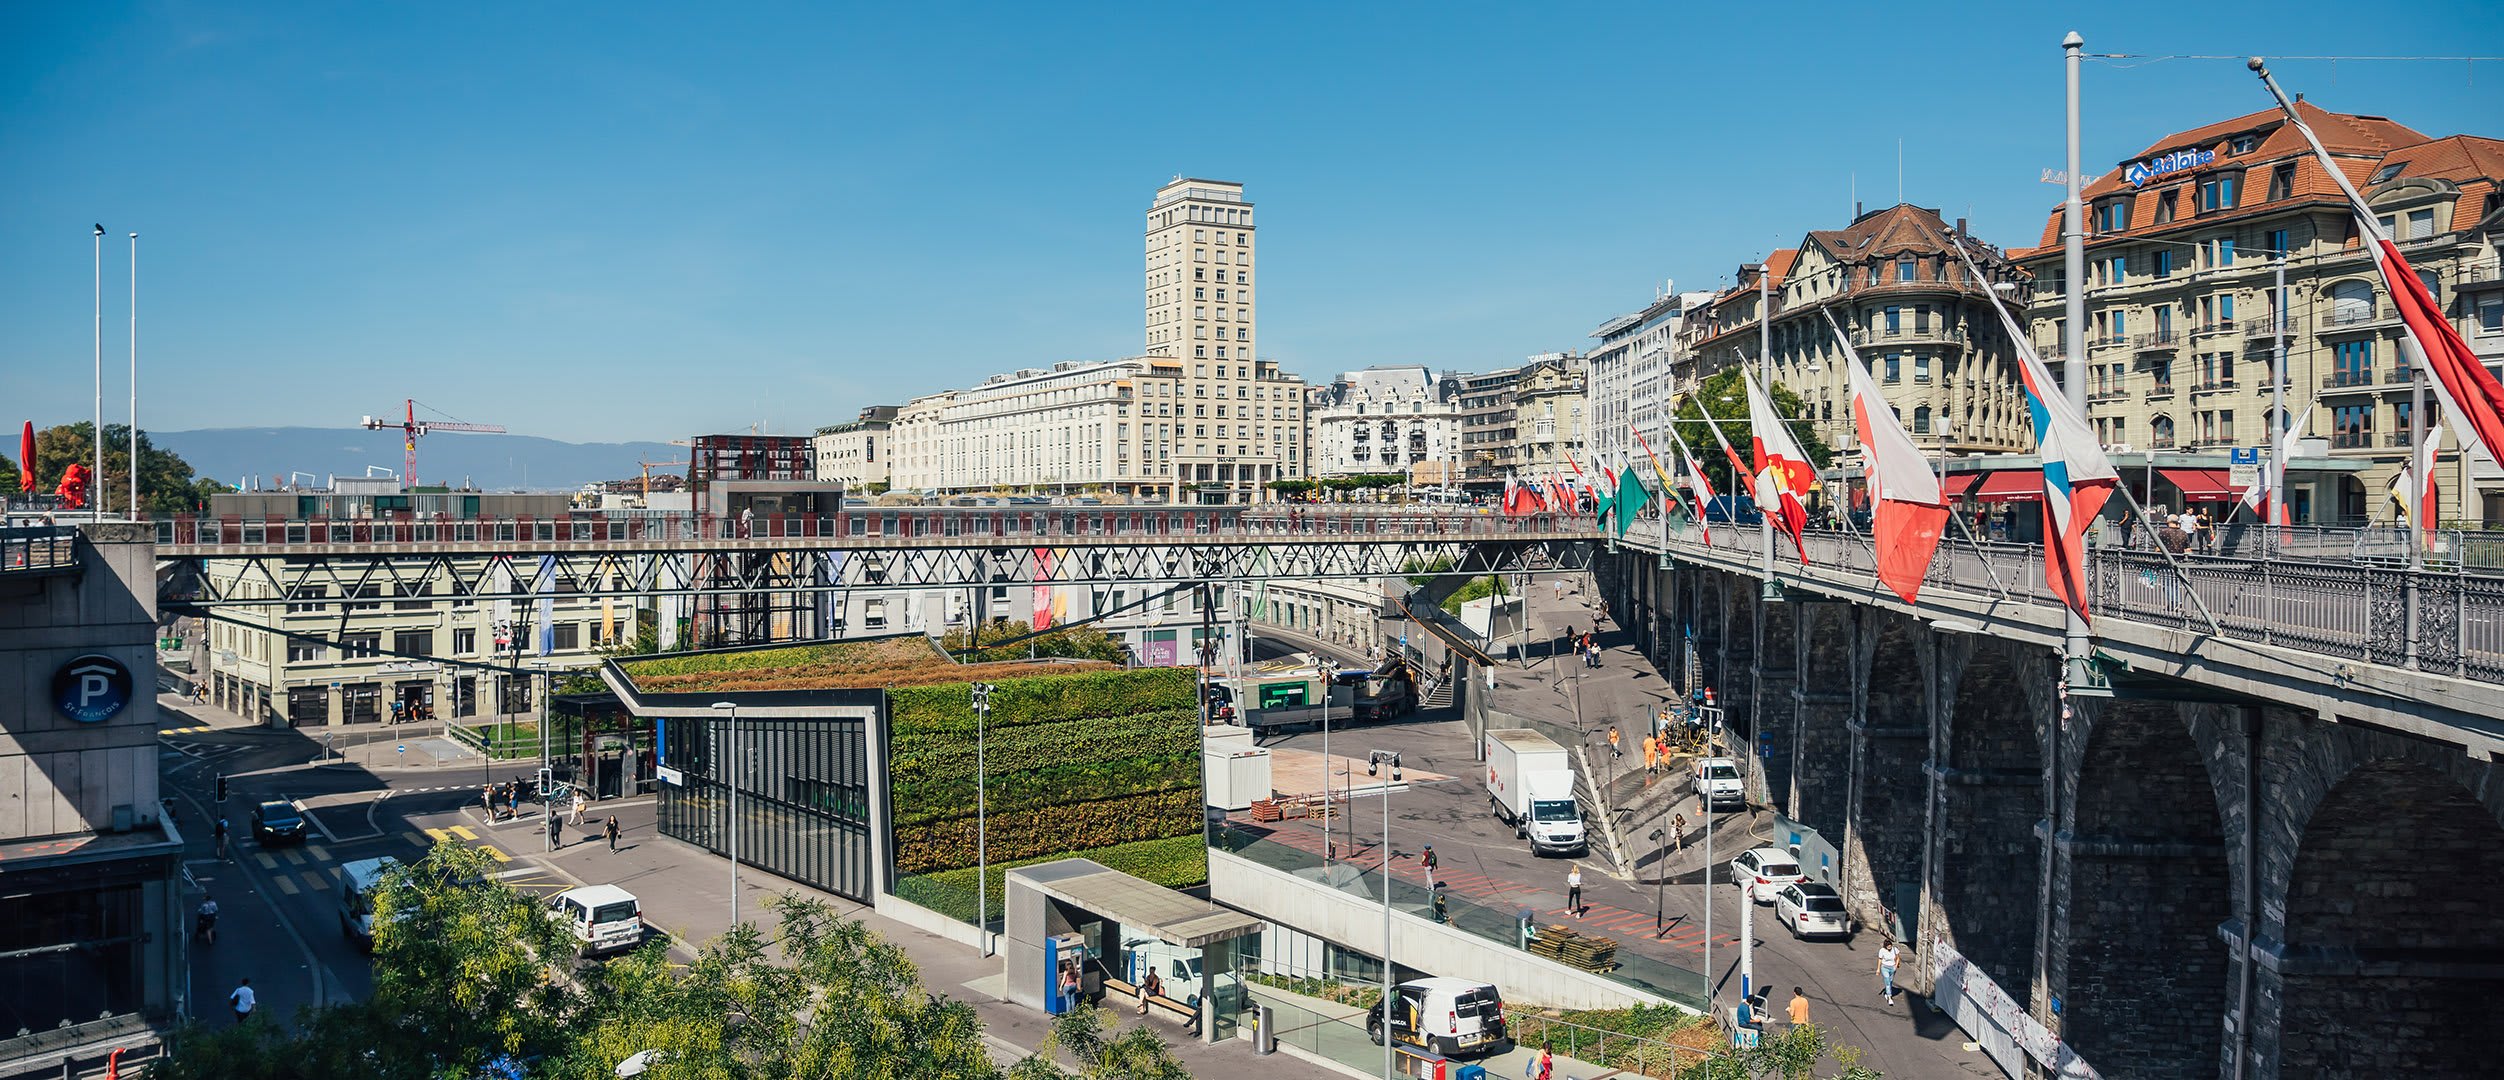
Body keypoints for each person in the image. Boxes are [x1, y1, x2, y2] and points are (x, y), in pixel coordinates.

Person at [1877, 939, 1901, 1005]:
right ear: (1885, 946)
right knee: (1887, 981)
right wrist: (1878, 969)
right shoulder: (1882, 950)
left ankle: (1887, 993)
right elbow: (1880, 960)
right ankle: (1889, 998)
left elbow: (1898, 957)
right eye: (1888, 946)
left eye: (1890, 945)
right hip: (1884, 967)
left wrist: (1896, 965)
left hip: (1892, 968)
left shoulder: (1895, 949)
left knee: (1890, 981)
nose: (1889, 947)